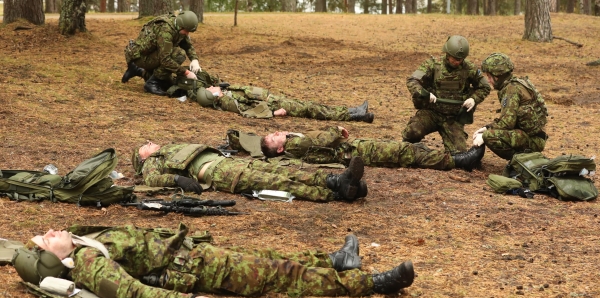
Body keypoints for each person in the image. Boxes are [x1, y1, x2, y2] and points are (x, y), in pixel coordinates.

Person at [13, 225, 415, 298]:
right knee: (283, 275)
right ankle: (373, 284)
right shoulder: (88, 265)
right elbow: (136, 293)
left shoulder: (83, 241)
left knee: (269, 255)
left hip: (196, 252)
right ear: (54, 259)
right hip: (200, 272)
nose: (51, 232)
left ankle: (335, 259)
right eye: (46, 240)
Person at [132, 141, 367, 202]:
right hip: (221, 173)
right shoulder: (153, 161)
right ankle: (337, 194)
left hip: (229, 163)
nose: (150, 143)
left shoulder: (169, 148)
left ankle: (337, 180)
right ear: (143, 157)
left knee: (288, 172)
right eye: (145, 146)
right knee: (278, 183)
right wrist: (176, 178)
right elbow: (152, 179)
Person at [404, 35, 491, 154]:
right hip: (431, 113)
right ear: (447, 54)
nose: (457, 62)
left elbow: (484, 87)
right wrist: (425, 94)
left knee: (459, 153)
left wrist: (474, 99)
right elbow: (412, 80)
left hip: (453, 118)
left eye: (460, 59)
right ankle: (408, 151)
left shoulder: (469, 69)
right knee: (412, 132)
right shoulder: (433, 65)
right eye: (455, 58)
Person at [259, 126, 485, 171]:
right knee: (406, 153)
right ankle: (460, 161)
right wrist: (336, 129)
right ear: (279, 150)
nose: (277, 133)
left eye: (274, 132)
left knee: (407, 149)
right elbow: (325, 139)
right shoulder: (296, 144)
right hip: (356, 152)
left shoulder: (293, 144)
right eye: (274, 138)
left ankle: (455, 157)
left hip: (355, 149)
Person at [472, 53, 549, 160]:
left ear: (497, 76)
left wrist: (486, 132)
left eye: (489, 76)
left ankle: (521, 161)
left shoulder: (511, 90)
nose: (488, 80)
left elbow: (507, 123)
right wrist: (486, 127)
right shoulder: (517, 83)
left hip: (532, 140)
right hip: (534, 136)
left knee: (489, 136)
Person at [190, 84, 374, 123]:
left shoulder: (225, 93)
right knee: (312, 109)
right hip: (274, 106)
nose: (212, 85)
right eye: (210, 88)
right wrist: (273, 113)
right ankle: (355, 115)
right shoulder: (227, 102)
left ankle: (352, 111)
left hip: (275, 100)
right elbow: (247, 111)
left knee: (311, 106)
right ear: (212, 96)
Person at [121, 11, 202, 96]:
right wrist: (186, 72)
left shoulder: (178, 27)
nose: (187, 33)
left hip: (151, 54)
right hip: (141, 57)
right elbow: (165, 60)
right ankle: (152, 83)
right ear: (181, 26)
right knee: (179, 54)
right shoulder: (166, 30)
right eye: (186, 31)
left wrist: (194, 59)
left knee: (167, 83)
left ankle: (137, 70)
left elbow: (187, 45)